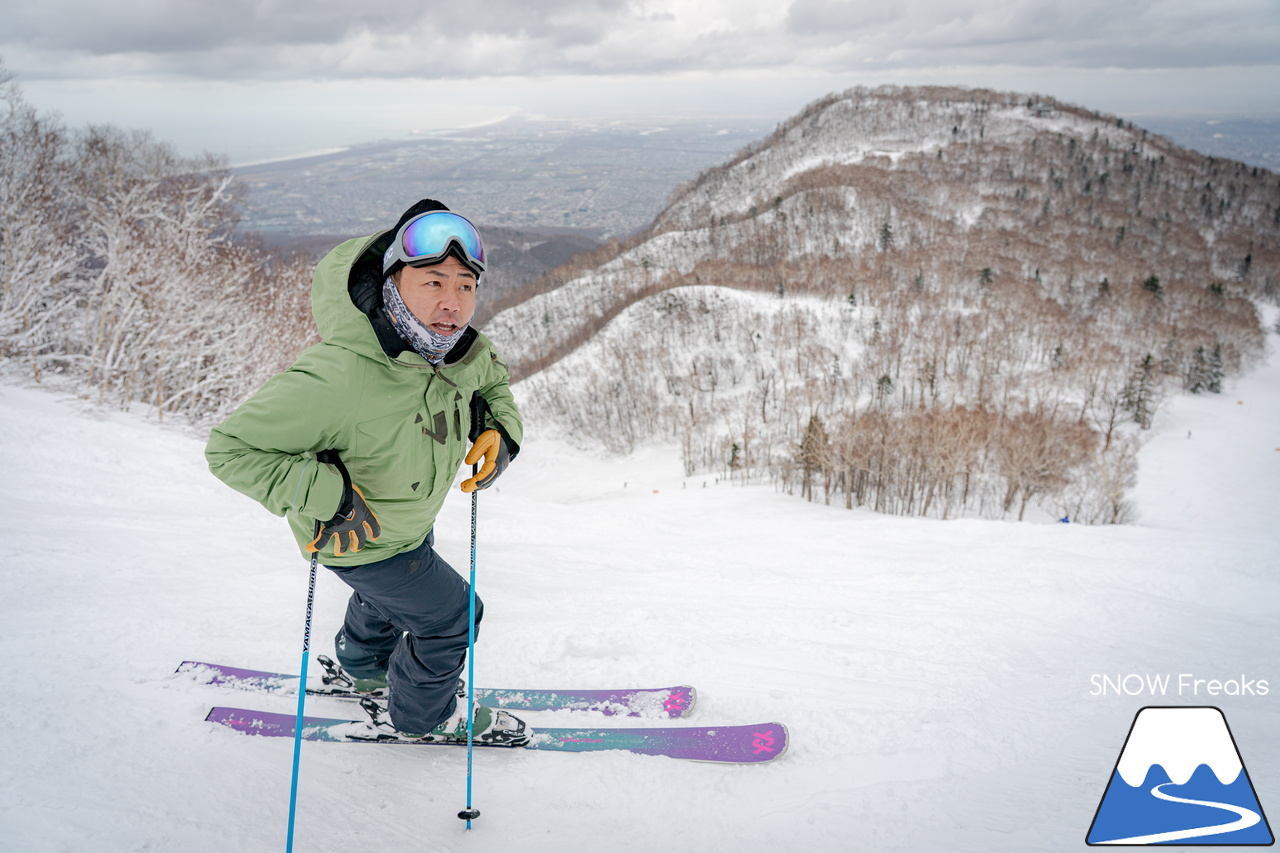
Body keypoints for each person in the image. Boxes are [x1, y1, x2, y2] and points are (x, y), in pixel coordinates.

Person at [205, 199, 528, 745]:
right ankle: (424, 717)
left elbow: (492, 383)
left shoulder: (461, 353)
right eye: (433, 282)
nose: (452, 303)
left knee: (388, 599)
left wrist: (501, 429)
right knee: (454, 617)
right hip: (354, 535)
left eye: (466, 285)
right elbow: (230, 449)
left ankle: (363, 667)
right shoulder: (340, 374)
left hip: (407, 526)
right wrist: (328, 495)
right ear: (391, 284)